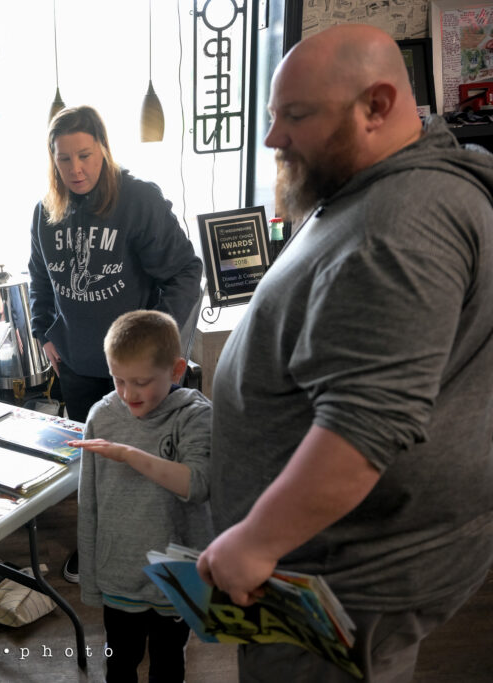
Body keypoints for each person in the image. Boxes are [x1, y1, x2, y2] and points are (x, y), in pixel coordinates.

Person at [196, 24, 493, 682]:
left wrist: (257, 541)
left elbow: (367, 421)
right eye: (273, 115)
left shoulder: (401, 223)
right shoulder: (382, 190)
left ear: (376, 106)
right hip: (340, 559)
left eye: (296, 116)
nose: (273, 138)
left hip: (341, 580)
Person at [28, 105, 203, 582]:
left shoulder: (138, 199)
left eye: (85, 155)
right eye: (64, 158)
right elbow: (40, 277)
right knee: (95, 468)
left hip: (137, 372)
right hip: (79, 365)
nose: (76, 168)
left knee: (147, 470)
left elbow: (186, 273)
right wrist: (45, 332)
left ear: (103, 149)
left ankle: (161, 563)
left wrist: (159, 346)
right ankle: (98, 552)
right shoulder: (46, 211)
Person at [69, 310, 212, 682]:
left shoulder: (194, 416)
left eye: (142, 382)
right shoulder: (101, 416)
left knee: (169, 663)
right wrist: (90, 580)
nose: (128, 393)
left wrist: (130, 455)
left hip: (176, 577)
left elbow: (198, 484)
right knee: (119, 664)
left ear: (176, 370)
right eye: (118, 380)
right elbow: (89, 505)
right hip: (119, 576)